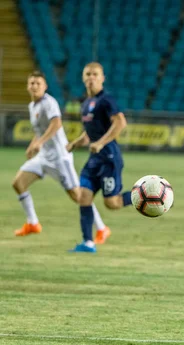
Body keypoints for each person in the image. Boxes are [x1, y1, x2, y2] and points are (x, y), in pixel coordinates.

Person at [11, 71, 110, 243]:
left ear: (45, 87)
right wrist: (33, 144)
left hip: (59, 158)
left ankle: (102, 228)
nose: (34, 86)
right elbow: (40, 130)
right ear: (28, 86)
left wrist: (40, 142)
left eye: (38, 83)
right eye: (32, 83)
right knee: (18, 183)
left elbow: (56, 124)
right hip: (43, 157)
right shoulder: (32, 106)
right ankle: (33, 223)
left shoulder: (49, 103)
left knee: (78, 196)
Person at [66, 62, 132, 253]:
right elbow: (90, 134)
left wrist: (102, 143)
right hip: (94, 159)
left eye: (95, 74)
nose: (91, 77)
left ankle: (142, 193)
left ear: (103, 78)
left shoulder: (106, 100)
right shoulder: (86, 104)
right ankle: (88, 243)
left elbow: (120, 122)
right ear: (83, 77)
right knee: (83, 197)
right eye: (88, 74)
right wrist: (74, 144)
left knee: (113, 203)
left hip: (109, 158)